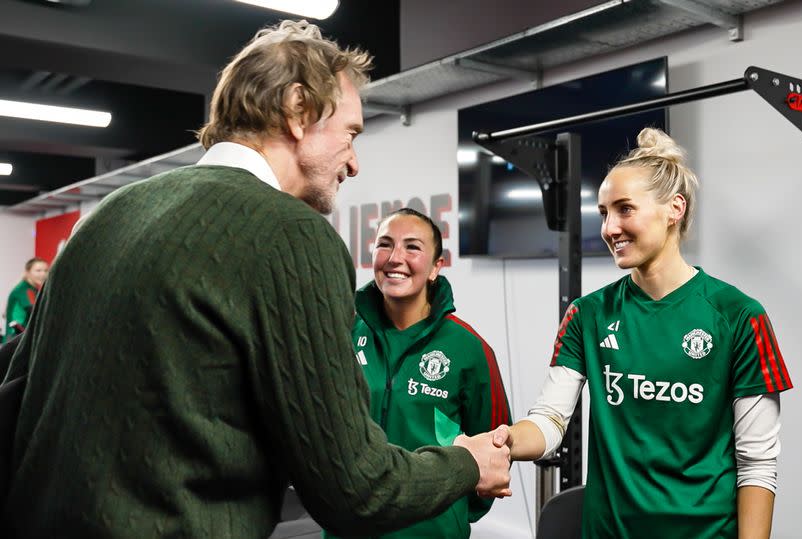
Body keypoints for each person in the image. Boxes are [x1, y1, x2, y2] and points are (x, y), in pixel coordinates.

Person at [0, 20, 511, 539]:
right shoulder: (293, 236)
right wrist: (466, 463)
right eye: (351, 134)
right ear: (297, 110)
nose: (354, 163)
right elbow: (356, 488)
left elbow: (14, 398)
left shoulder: (110, 213)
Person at [492, 128, 792, 538]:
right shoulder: (587, 315)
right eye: (602, 212)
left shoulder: (739, 316)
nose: (610, 227)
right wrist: (504, 441)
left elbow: (757, 463)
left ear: (675, 209)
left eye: (625, 209)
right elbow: (549, 422)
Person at [326, 208, 512, 539]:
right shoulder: (341, 334)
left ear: (436, 267)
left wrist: (450, 512)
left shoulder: (468, 348)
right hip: (348, 529)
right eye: (385, 244)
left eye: (412, 247)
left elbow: (493, 447)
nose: (395, 258)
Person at [2, 257, 47, 343]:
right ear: (27, 272)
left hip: (21, 341)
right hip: (16, 342)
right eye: (38, 270)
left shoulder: (34, 289)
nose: (43, 274)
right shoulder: (24, 290)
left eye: (46, 270)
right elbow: (37, 312)